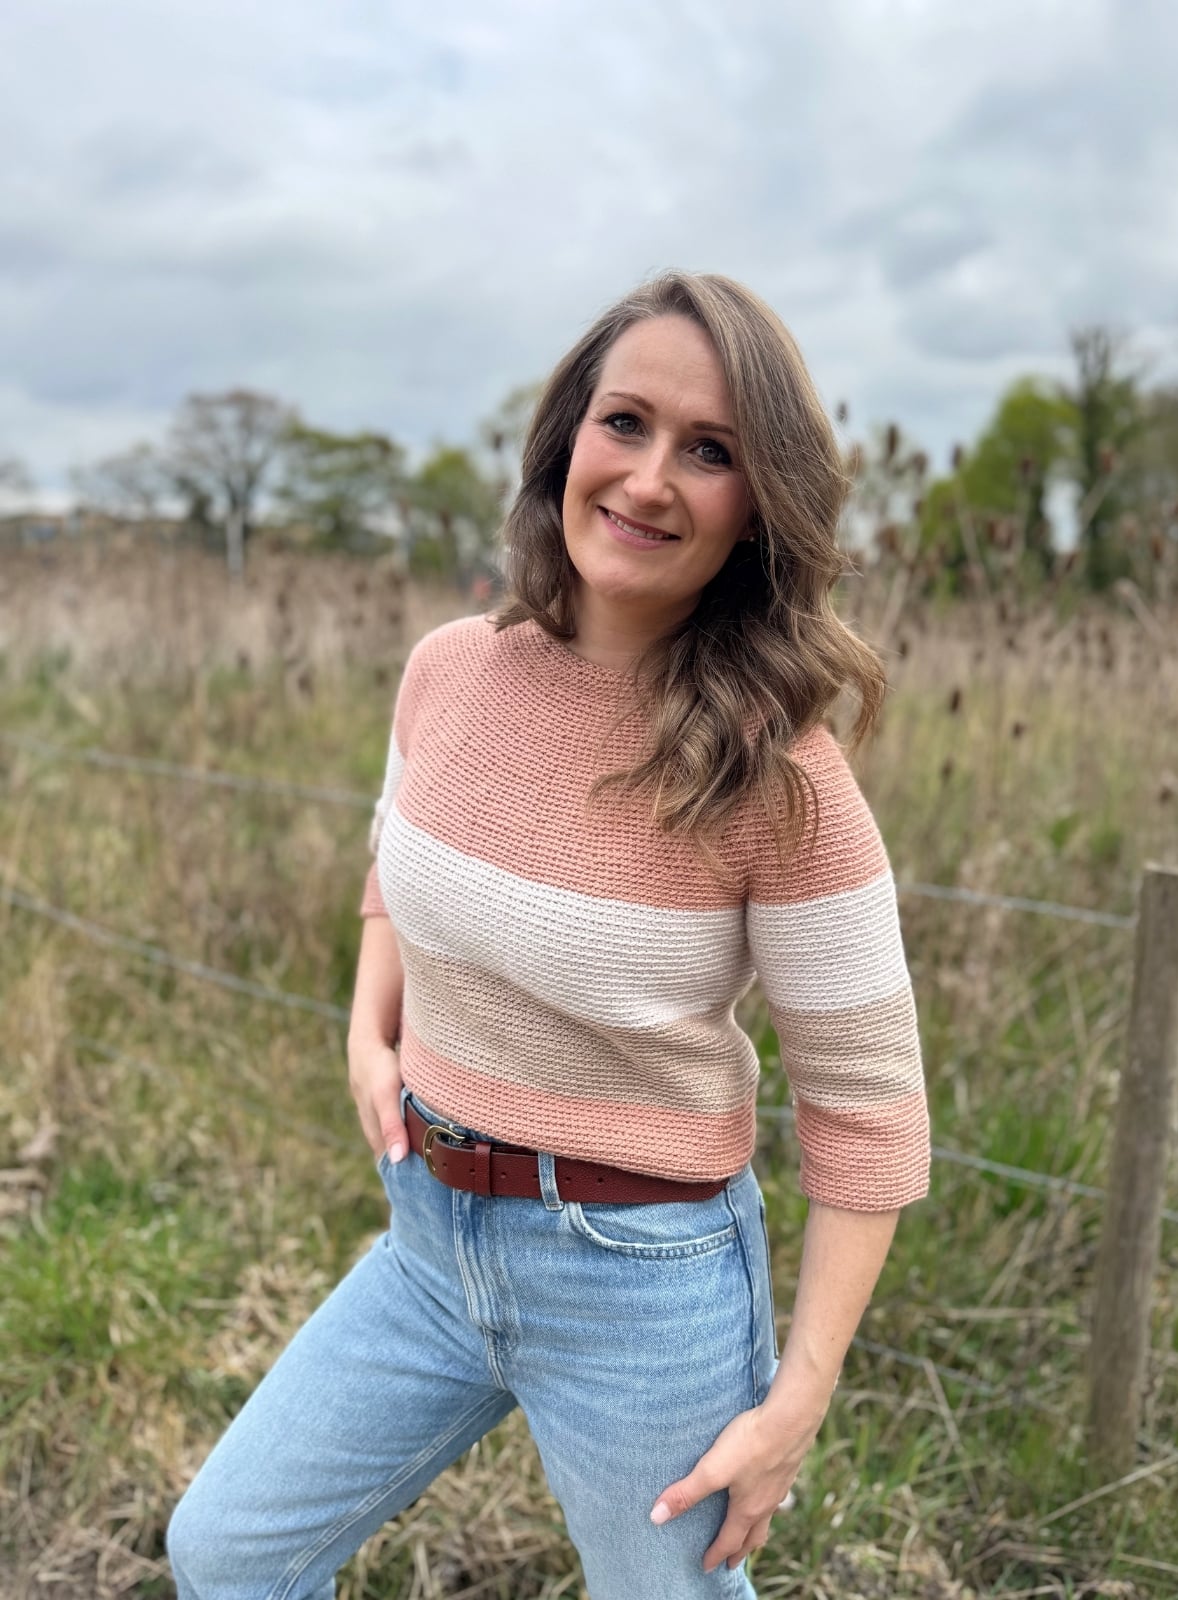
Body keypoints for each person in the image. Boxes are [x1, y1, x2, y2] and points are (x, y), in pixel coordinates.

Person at [166, 270, 930, 1599]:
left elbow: (867, 1115)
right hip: (427, 1243)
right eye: (624, 423)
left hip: (643, 1280)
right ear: (566, 436)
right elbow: (392, 868)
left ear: (761, 507)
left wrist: (797, 1399)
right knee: (226, 1553)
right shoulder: (449, 670)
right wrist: (370, 1028)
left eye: (711, 452)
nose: (648, 480)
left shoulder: (782, 775)